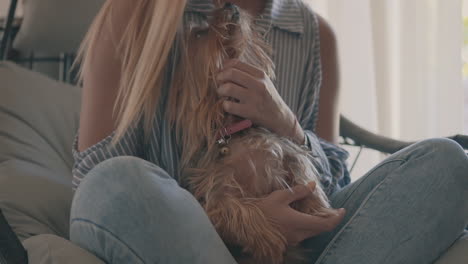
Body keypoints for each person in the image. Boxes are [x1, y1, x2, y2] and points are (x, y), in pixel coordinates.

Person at [71, 0, 468, 263]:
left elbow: (332, 192)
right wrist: (238, 220)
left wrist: (286, 122)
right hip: (180, 240)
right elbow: (97, 185)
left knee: (447, 162)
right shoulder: (139, 12)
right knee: (117, 180)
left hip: (304, 243)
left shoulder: (313, 34)